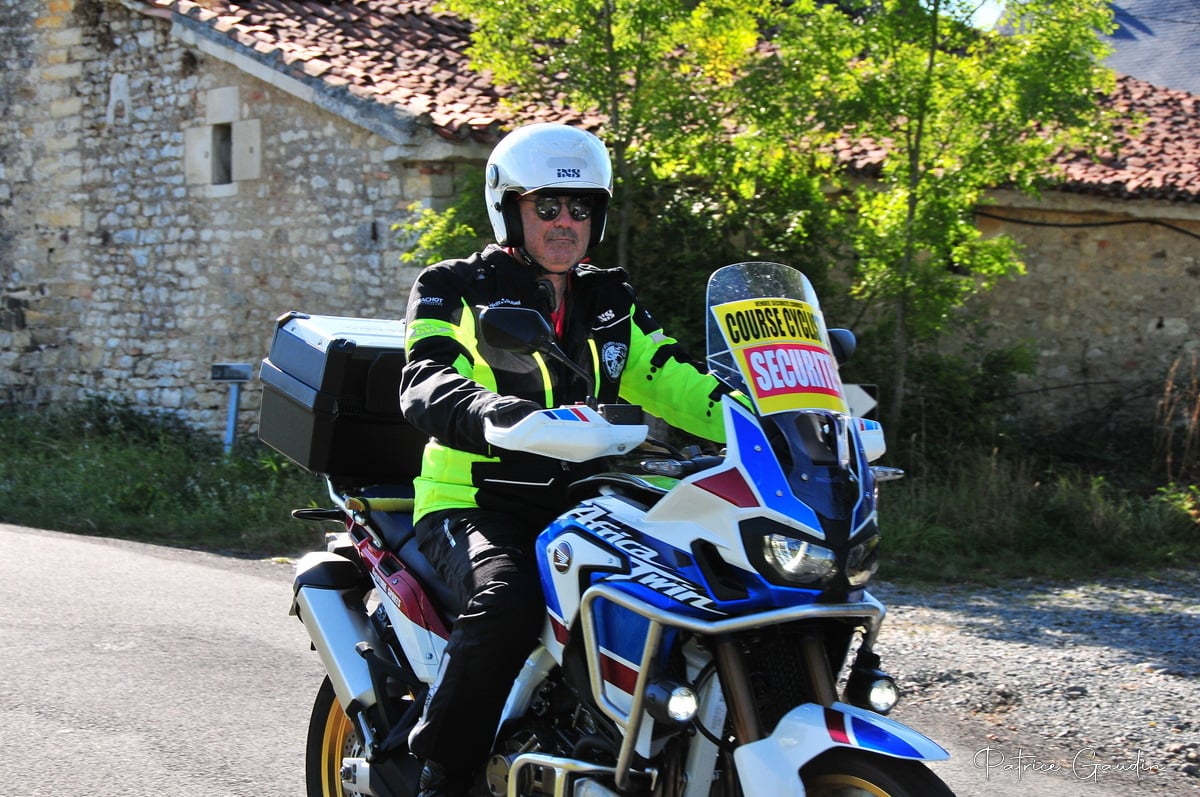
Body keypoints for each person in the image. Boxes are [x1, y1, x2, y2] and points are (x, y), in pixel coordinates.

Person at [397, 122, 736, 797]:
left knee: (692, 592)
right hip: (476, 499)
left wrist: (764, 418)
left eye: (581, 208)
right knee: (509, 599)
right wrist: (494, 413)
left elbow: (673, 378)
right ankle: (442, 774)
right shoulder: (454, 286)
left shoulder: (609, 301)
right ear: (509, 208)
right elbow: (425, 376)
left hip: (586, 500)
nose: (565, 222)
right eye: (547, 205)